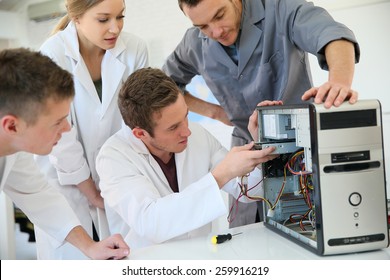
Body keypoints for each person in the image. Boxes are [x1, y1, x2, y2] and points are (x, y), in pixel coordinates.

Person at [162, 0, 360, 228]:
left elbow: (332, 35)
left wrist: (338, 82)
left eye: (220, 15)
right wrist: (215, 113)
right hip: (246, 155)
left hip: (298, 152)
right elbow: (166, 85)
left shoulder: (280, 9)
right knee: (247, 240)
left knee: (305, 230)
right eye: (203, 26)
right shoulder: (194, 43)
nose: (215, 32)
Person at [95, 68, 277, 250]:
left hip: (200, 257)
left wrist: (260, 146)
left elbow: (247, 191)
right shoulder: (113, 158)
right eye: (173, 127)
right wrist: (220, 176)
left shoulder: (197, 135)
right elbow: (152, 223)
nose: (187, 131)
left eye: (186, 116)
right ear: (140, 133)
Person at [33, 0, 149, 259]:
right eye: (103, 19)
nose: (115, 28)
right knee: (72, 261)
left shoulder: (135, 49)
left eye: (120, 17)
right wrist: (91, 192)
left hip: (117, 174)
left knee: (128, 256)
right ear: (76, 18)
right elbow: (60, 136)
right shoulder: (52, 54)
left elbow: (134, 120)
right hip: (64, 180)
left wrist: (114, 183)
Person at [0, 47, 129, 260]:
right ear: (12, 126)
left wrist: (90, 247)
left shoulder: (11, 147)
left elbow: (38, 196)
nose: (67, 129)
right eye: (57, 122)